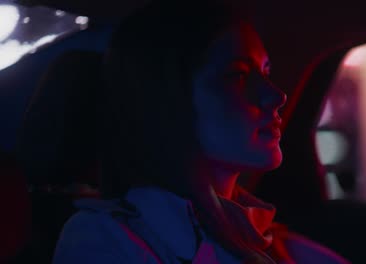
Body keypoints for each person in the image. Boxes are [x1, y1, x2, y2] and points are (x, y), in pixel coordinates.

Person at [53, 1, 349, 263]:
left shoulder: (278, 244)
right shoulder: (105, 239)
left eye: (266, 72)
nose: (276, 95)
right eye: (238, 76)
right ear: (165, 100)